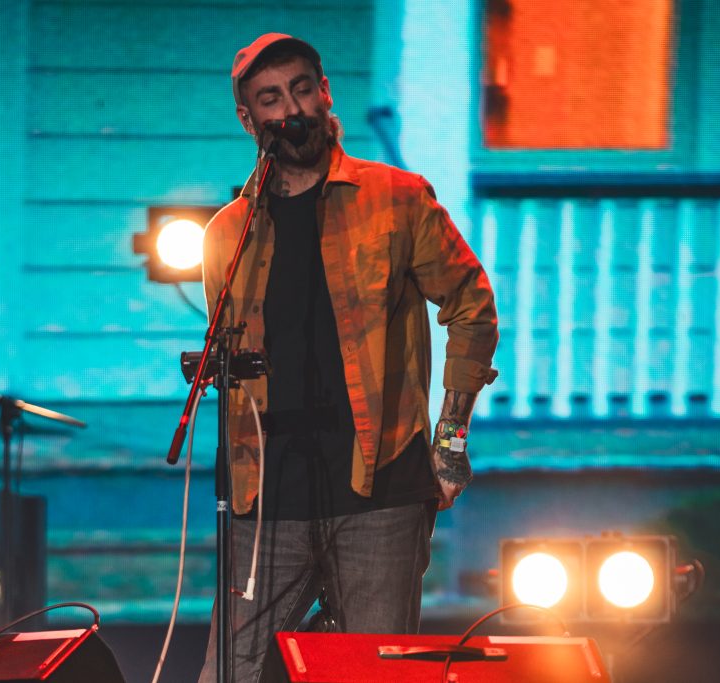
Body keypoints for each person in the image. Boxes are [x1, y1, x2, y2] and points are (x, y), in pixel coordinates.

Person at [198, 33, 498, 682]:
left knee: (377, 672)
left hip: (380, 481)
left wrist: (448, 440)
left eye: (303, 88)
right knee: (232, 671)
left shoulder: (398, 198)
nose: (292, 110)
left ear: (326, 91)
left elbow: (472, 307)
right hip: (267, 488)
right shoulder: (228, 230)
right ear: (250, 120)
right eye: (270, 99)